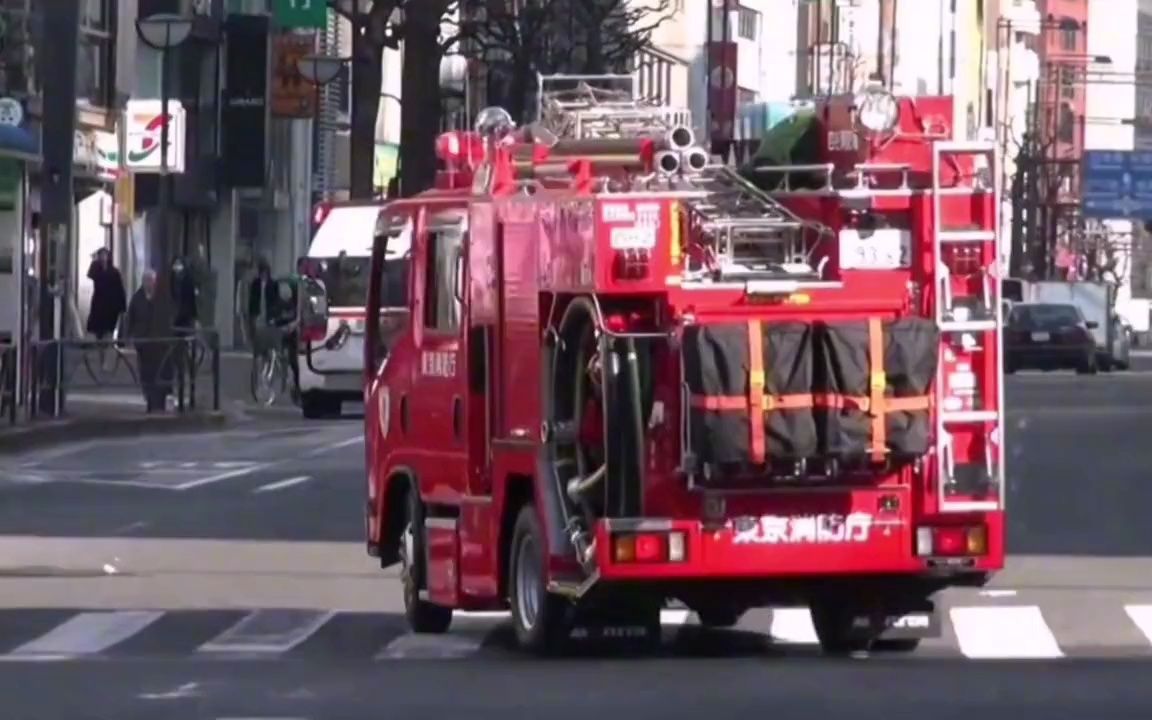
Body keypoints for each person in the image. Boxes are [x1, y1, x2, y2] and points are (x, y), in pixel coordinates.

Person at [126, 269, 174, 413]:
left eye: (151, 280)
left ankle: (159, 402)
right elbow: (131, 317)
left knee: (161, 373)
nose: (148, 283)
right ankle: (150, 399)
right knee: (146, 373)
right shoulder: (137, 298)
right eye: (146, 280)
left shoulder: (162, 298)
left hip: (160, 343)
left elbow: (168, 317)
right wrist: (130, 336)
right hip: (144, 344)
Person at [85, 248, 127, 341]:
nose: (103, 257)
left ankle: (107, 350)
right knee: (95, 330)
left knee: (108, 332)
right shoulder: (97, 269)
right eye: (101, 255)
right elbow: (90, 275)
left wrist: (122, 307)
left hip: (111, 307)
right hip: (98, 304)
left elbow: (120, 289)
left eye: (105, 255)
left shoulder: (114, 272)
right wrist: (94, 261)